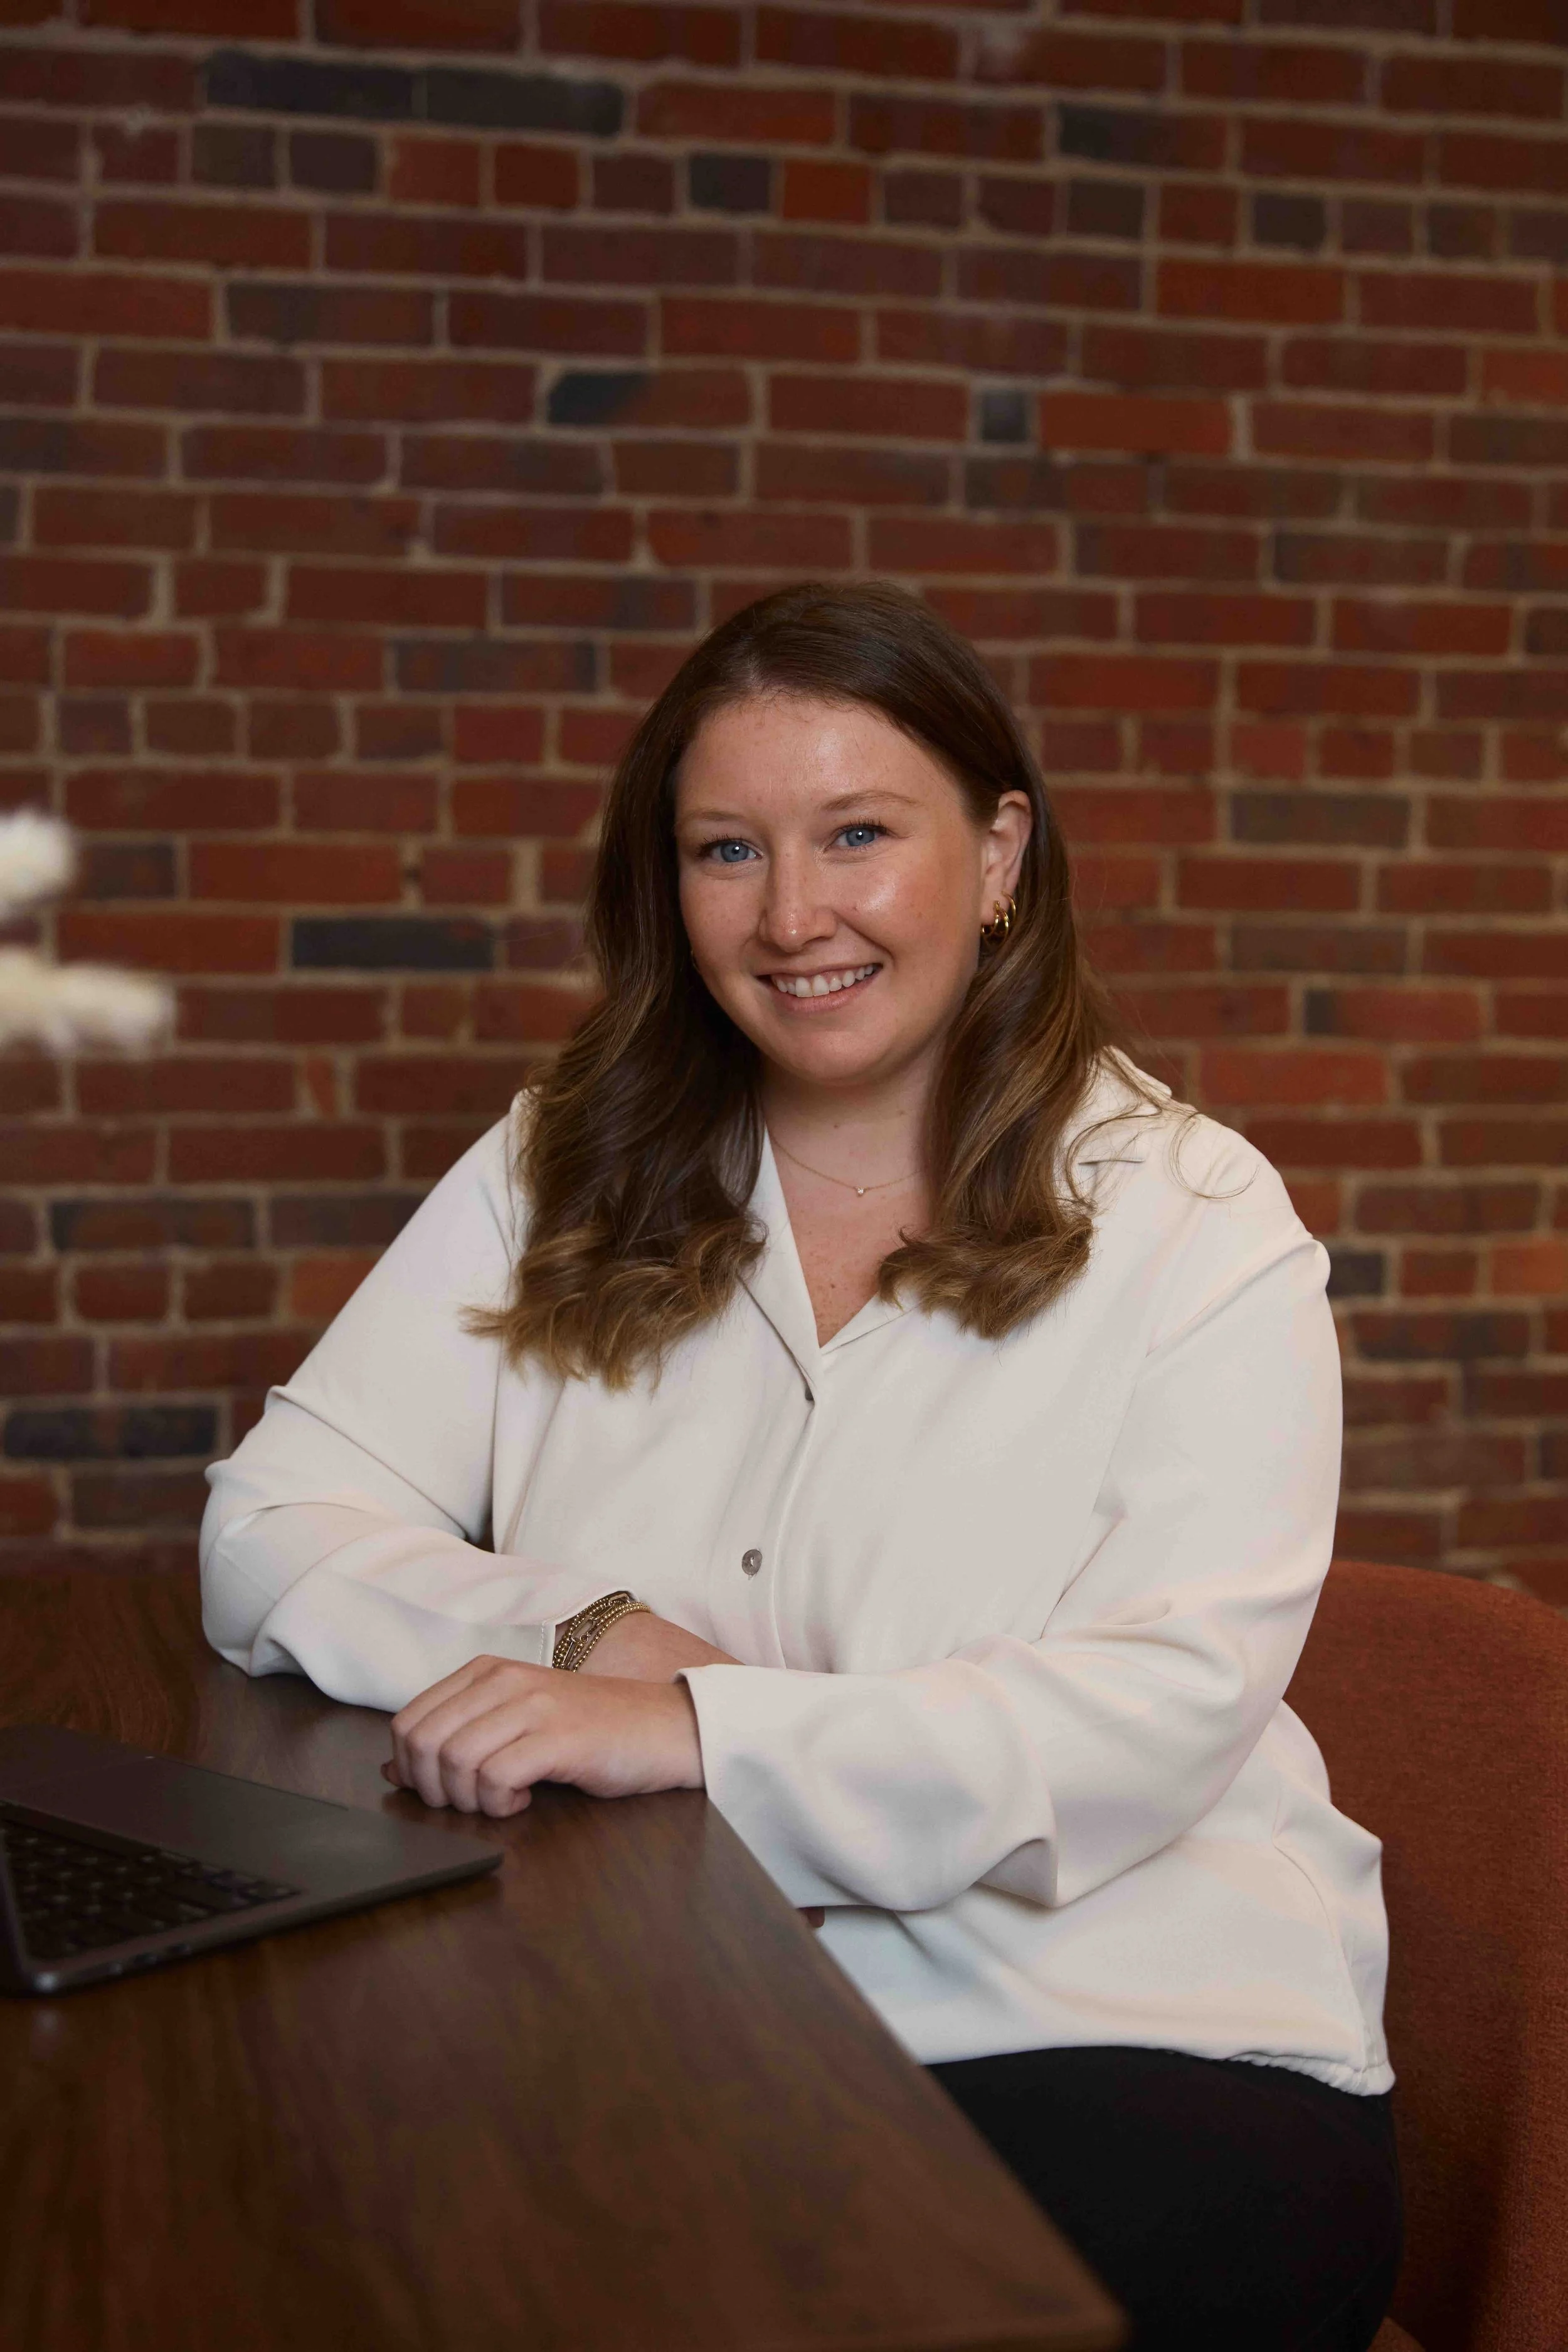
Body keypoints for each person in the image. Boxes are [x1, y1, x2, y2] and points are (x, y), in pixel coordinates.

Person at [201, 581, 1401, 2351]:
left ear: (998, 853)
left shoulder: (1195, 1219)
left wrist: (701, 1733)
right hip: (669, 1997)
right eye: (722, 850)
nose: (791, 916)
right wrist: (594, 1631)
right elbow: (271, 1524)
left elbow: (1143, 1713)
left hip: (1115, 2028)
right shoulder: (564, 1158)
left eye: (858, 834)